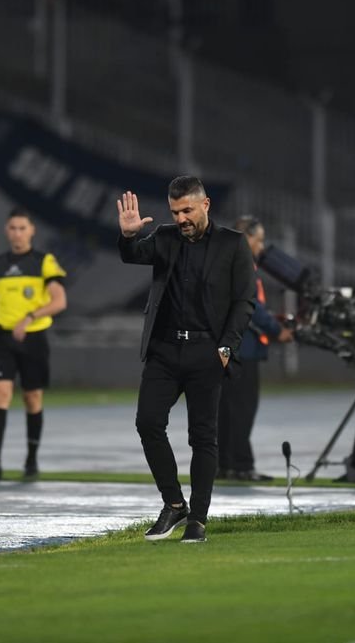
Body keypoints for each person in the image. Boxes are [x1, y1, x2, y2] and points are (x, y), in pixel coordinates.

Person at [117, 177, 255, 543]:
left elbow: (244, 301)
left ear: (205, 204)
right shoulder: (164, 237)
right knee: (148, 422)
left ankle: (198, 519)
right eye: (175, 212)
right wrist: (129, 236)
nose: (181, 219)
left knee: (203, 437)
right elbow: (133, 254)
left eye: (187, 211)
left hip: (207, 352)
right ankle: (174, 504)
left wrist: (226, 349)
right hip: (164, 351)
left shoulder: (233, 244)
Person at [0, 208, 67, 482]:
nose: (17, 233)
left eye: (22, 228)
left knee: (32, 398)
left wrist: (29, 317)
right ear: (7, 231)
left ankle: (31, 459)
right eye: (13, 228)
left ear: (32, 231)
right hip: (2, 339)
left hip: (33, 338)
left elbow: (59, 301)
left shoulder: (44, 262)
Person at [217, 215, 293, 482]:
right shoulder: (242, 264)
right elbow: (253, 307)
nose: (261, 247)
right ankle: (241, 466)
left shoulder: (222, 262)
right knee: (242, 408)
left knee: (226, 408)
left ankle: (224, 465)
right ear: (245, 238)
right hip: (243, 350)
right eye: (258, 240)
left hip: (224, 348)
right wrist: (277, 330)